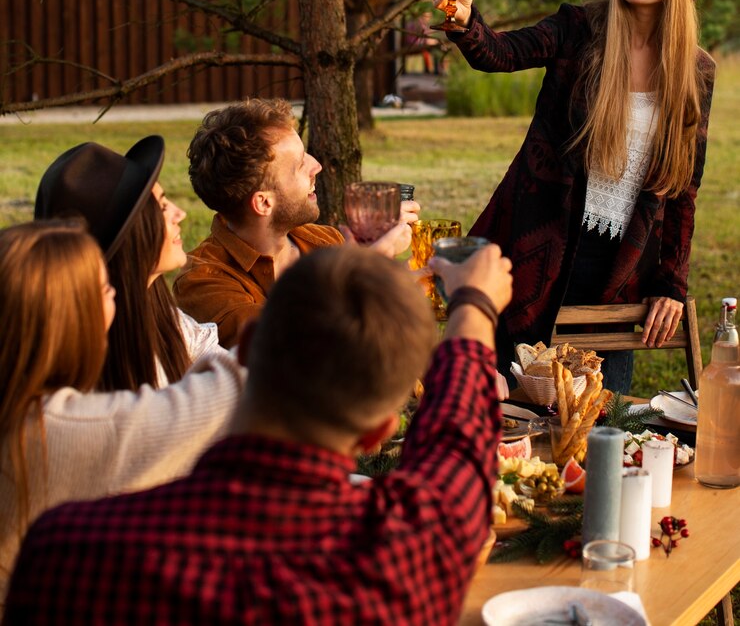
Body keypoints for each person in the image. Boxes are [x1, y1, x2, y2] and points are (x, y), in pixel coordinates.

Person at [5, 239, 513, 625]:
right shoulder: (413, 551)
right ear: (378, 432)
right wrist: (473, 306)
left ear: (244, 349)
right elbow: (457, 443)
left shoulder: (67, 550)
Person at [426, 0, 714, 393]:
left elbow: (685, 188)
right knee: (510, 412)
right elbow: (499, 52)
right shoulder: (577, 29)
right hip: (542, 252)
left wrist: (672, 288)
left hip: (621, 274)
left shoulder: (696, 72)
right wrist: (462, 19)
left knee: (603, 424)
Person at [0, 220, 246, 607]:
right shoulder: (60, 430)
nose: (114, 295)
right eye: (103, 289)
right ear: (68, 317)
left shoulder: (20, 403)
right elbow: (217, 399)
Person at [174, 98, 417, 346]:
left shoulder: (325, 241)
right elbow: (286, 348)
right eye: (300, 164)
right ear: (264, 203)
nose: (317, 166)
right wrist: (367, 270)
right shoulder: (202, 282)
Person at [35, 135, 231, 390]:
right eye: (162, 207)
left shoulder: (163, 315)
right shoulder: (82, 368)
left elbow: (226, 369)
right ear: (131, 236)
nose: (179, 214)